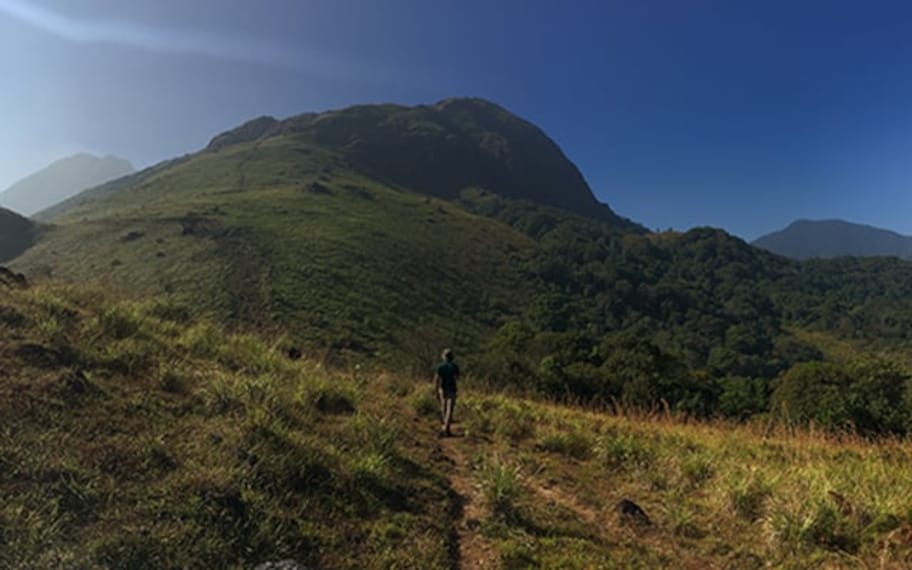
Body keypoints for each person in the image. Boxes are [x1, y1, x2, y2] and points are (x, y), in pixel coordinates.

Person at [433, 348, 460, 437]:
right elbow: (457, 378)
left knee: (443, 407)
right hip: (452, 389)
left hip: (443, 389)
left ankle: (444, 426)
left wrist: (435, 390)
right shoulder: (455, 367)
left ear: (444, 356)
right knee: (450, 409)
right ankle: (446, 427)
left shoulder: (440, 366)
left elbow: (437, 379)